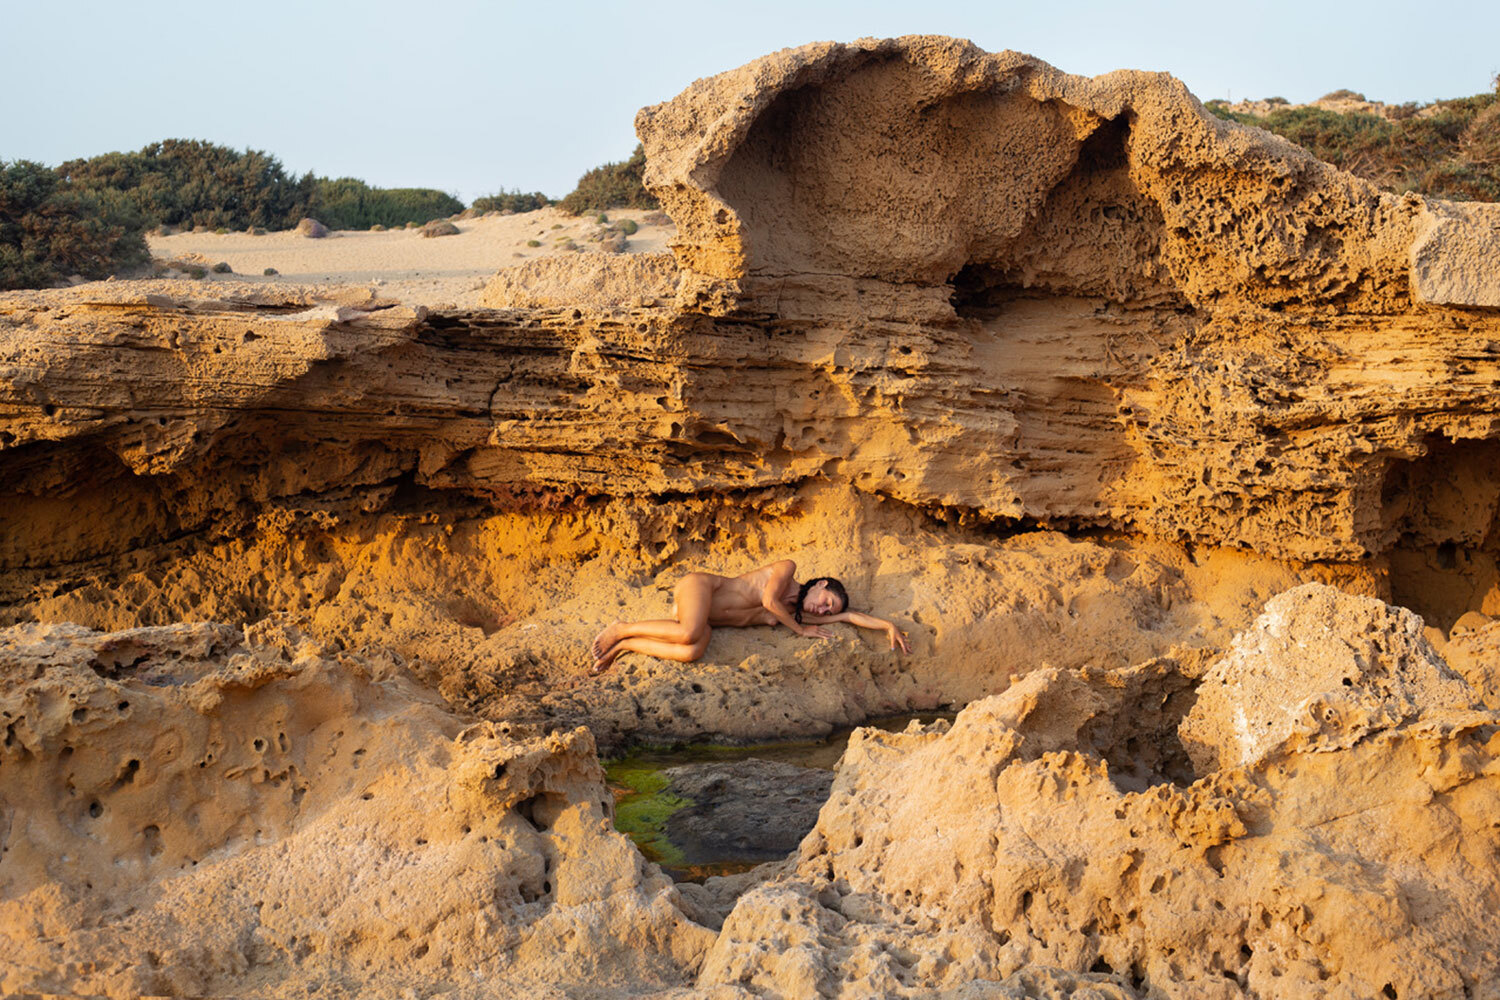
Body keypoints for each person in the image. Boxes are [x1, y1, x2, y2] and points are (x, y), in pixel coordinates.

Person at [589, 559, 911, 675]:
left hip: (707, 621)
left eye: (828, 611)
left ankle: (626, 646)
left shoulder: (795, 614)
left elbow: (850, 617)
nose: (823, 611)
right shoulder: (787, 570)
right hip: (702, 588)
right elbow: (770, 601)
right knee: (688, 632)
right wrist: (800, 630)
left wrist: (887, 625)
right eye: (826, 601)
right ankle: (621, 628)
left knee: (691, 650)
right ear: (821, 584)